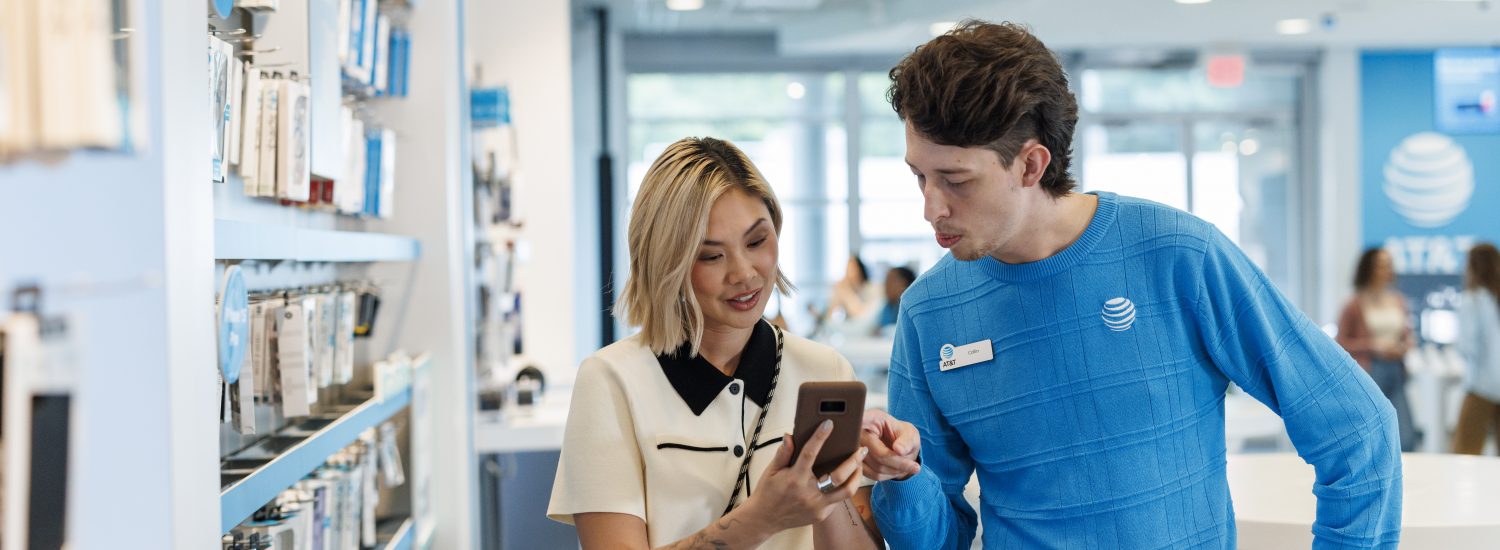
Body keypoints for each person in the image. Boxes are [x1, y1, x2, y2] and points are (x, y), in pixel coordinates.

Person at [856, 20, 1402, 549]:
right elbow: (937, 539)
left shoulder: (1178, 255)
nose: (931, 207)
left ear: (1031, 164)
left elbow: (1358, 429)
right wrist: (901, 480)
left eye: (955, 180)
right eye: (919, 176)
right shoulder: (929, 312)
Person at [547, 137, 883, 549]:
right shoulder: (611, 381)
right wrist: (760, 519)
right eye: (711, 256)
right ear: (666, 262)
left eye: (757, 241)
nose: (744, 273)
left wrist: (827, 490)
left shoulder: (824, 370)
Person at [1336, 248, 1419, 451]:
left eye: (1389, 263)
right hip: (1371, 370)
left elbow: (1405, 334)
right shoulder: (1354, 304)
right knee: (1370, 431)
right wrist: (1373, 346)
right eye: (1382, 264)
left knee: (1405, 435)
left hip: (1395, 369)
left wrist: (1405, 345)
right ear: (1369, 268)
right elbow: (1341, 342)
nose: (1387, 269)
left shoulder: (1398, 300)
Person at [1453, 243, 1500, 454]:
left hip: (1481, 386)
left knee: (1465, 451)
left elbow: (1467, 346)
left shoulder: (1473, 300)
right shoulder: (1494, 299)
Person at [876, 266, 917, 331]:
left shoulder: (913, 308)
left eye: (890, 280)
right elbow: (878, 329)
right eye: (886, 281)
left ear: (904, 283)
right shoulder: (888, 306)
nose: (886, 285)